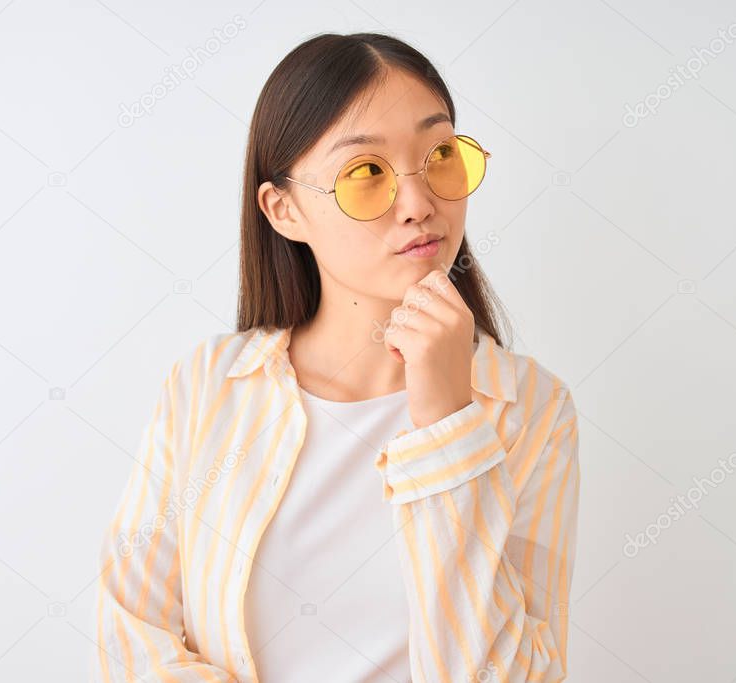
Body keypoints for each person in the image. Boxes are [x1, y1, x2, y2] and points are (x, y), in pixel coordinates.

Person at [92, 31, 580, 683]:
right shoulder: (206, 387)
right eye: (366, 174)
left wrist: (446, 422)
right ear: (285, 209)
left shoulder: (532, 409)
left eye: (439, 154)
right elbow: (132, 636)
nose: (419, 204)